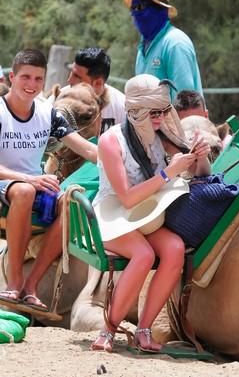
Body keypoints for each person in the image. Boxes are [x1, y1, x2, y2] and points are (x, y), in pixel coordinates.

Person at [90, 74, 211, 352]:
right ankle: (108, 330)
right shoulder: (111, 141)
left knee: (175, 248)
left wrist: (200, 156)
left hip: (147, 215)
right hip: (112, 215)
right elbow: (127, 198)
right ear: (135, 112)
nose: (160, 118)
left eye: (164, 111)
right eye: (154, 112)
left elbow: (203, 176)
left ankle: (144, 329)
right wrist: (169, 172)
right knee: (143, 254)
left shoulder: (162, 136)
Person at [0, 49, 98, 313]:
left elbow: (88, 150)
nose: (32, 85)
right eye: (25, 77)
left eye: (38, 79)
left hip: (33, 184)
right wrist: (28, 178)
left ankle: (31, 285)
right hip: (10, 182)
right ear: (12, 77)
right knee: (23, 192)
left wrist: (126, 159)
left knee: (72, 203)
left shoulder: (48, 114)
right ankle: (15, 280)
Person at [123, 0, 203, 100]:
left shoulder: (175, 43)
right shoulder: (143, 48)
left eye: (140, 7)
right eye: (132, 8)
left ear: (161, 11)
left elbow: (185, 100)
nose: (135, 13)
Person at [63, 47, 126, 134]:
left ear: (98, 83)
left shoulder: (122, 107)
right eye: (71, 73)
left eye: (77, 76)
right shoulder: (60, 99)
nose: (69, 80)